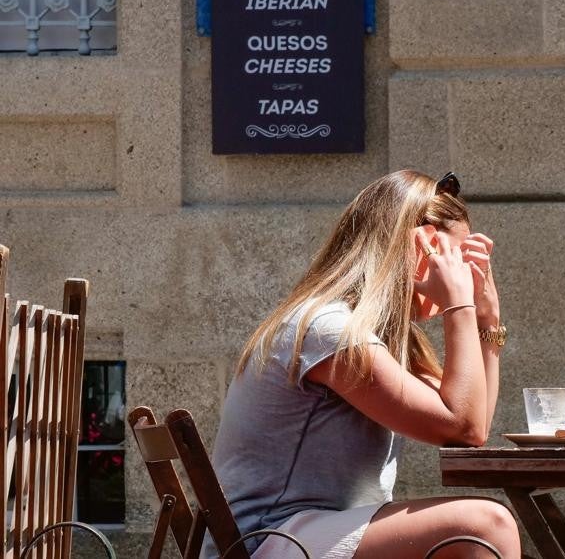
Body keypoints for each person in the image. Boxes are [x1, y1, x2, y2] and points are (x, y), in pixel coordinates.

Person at [204, 170, 521, 559]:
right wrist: (459, 305)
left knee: (484, 527)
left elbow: (474, 423)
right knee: (487, 526)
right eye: (452, 256)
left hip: (312, 532)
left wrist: (488, 320)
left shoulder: (374, 336)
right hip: (269, 540)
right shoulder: (327, 330)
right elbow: (464, 426)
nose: (460, 273)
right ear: (414, 246)